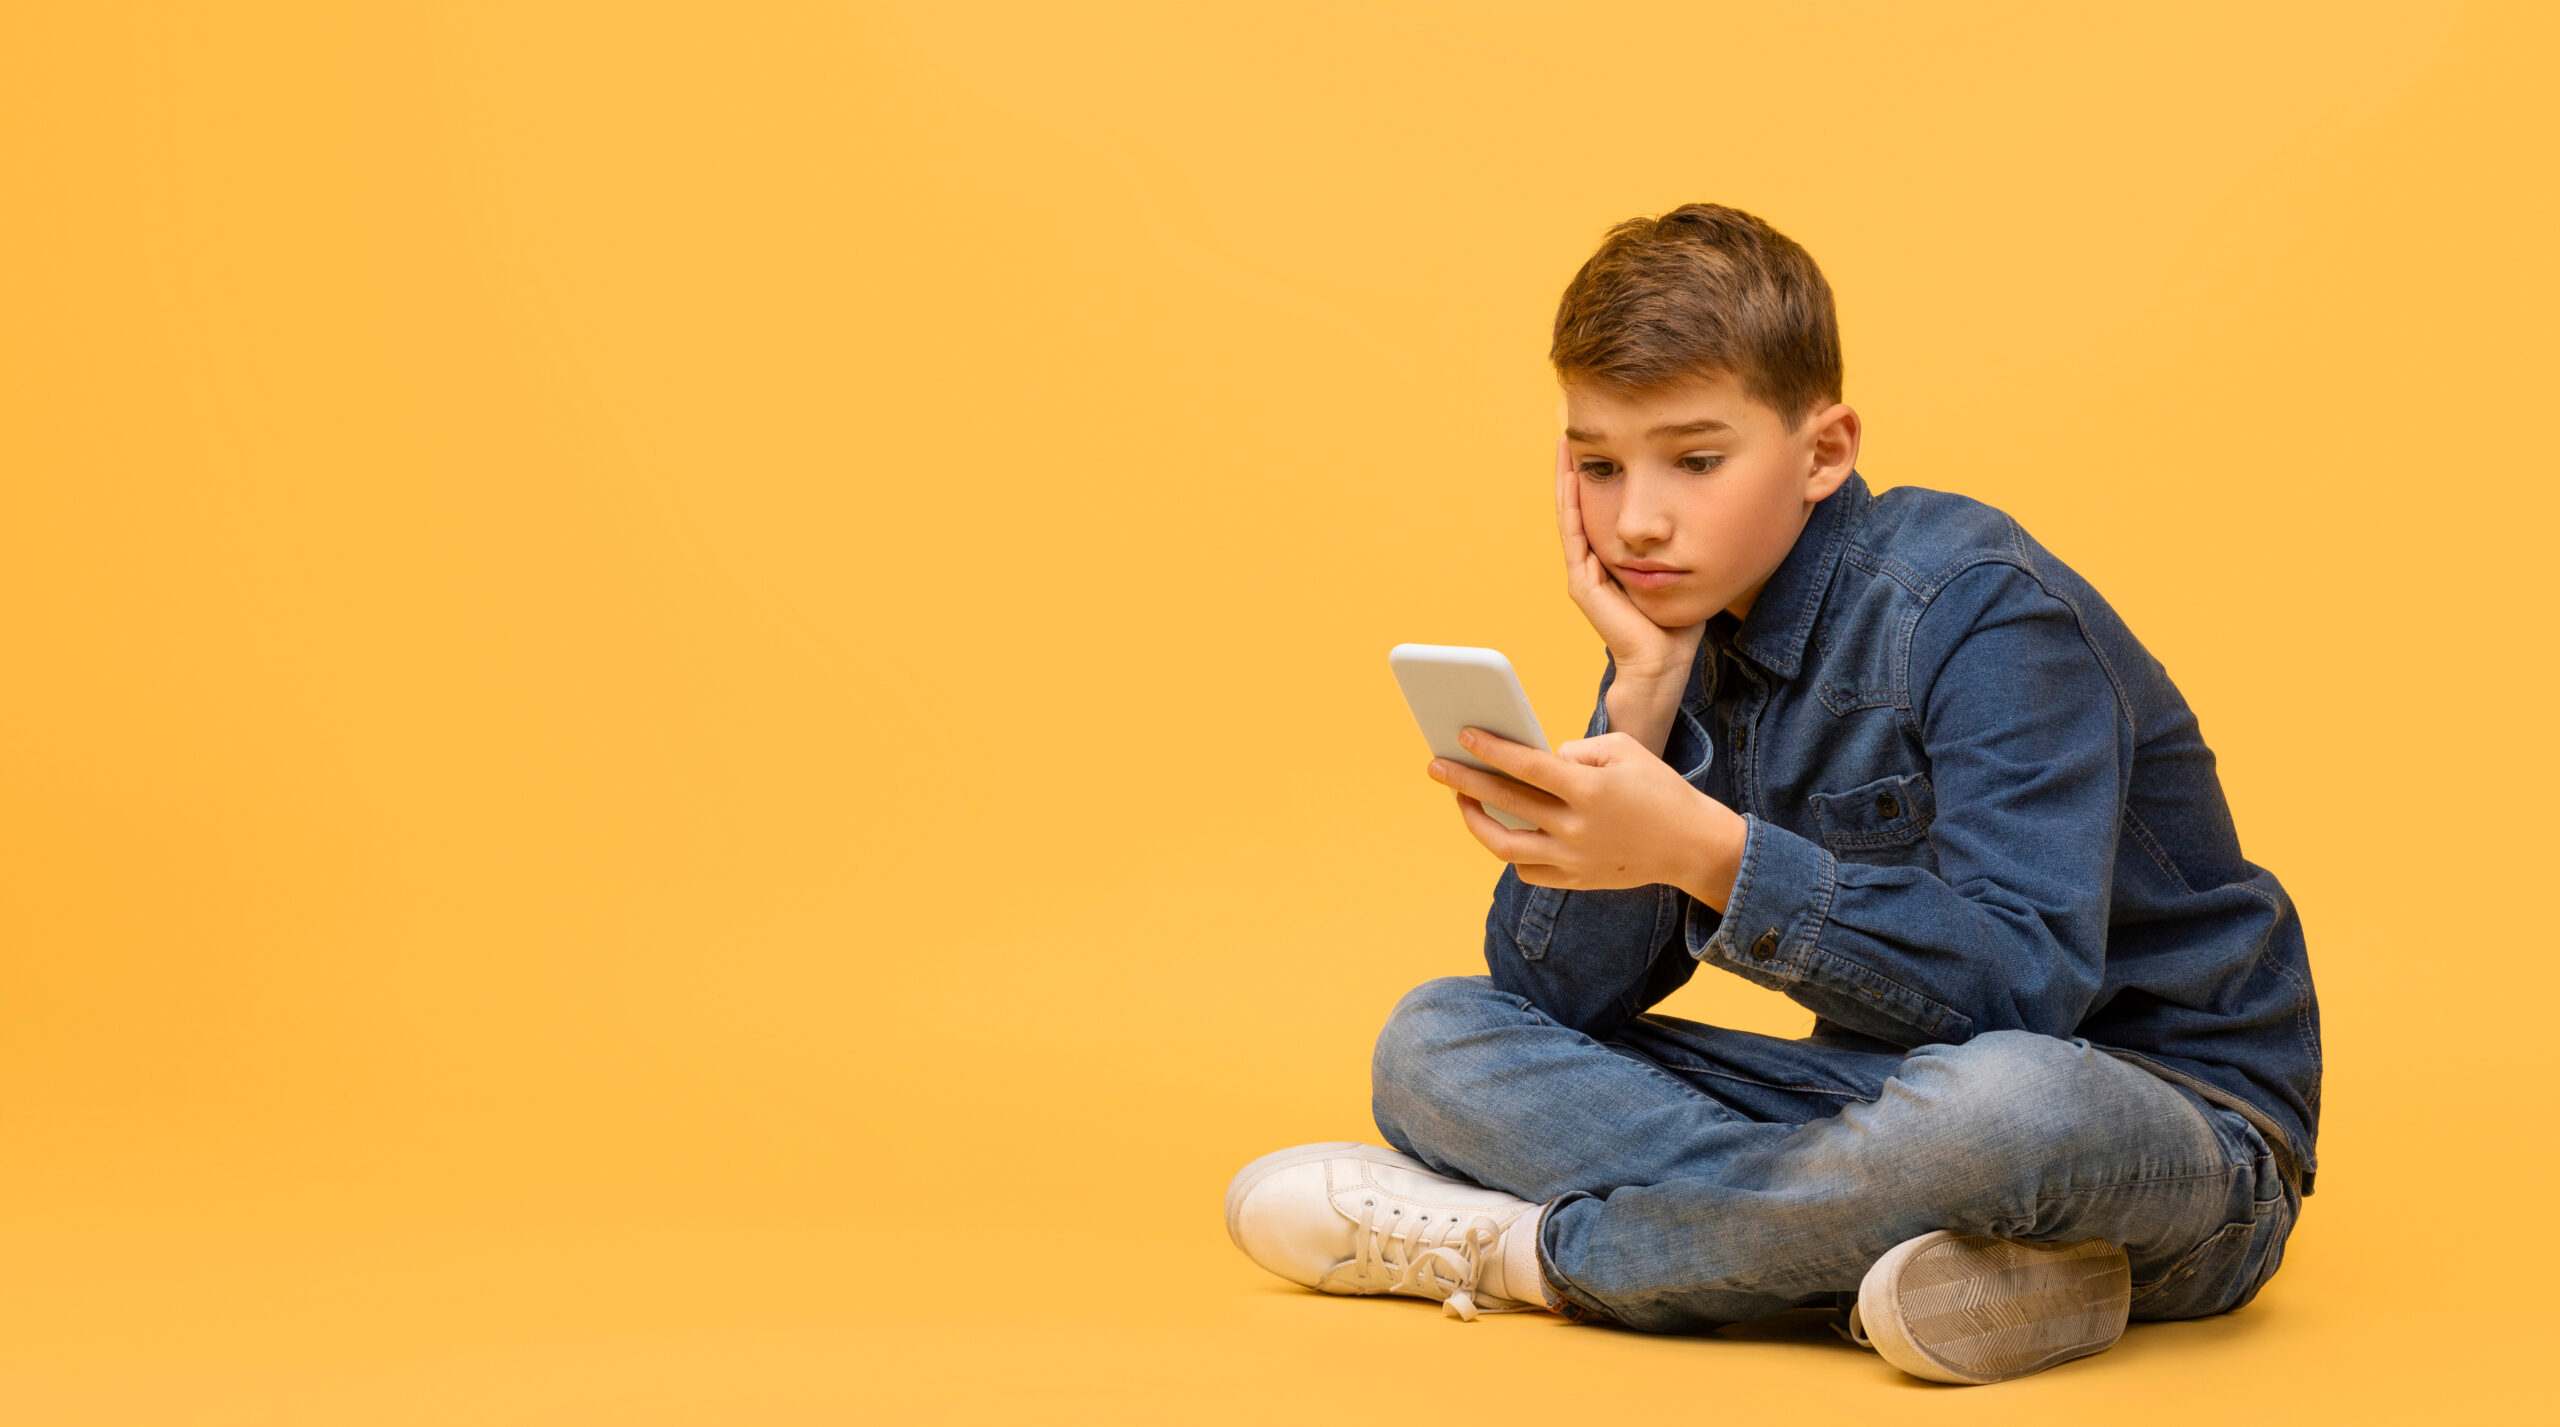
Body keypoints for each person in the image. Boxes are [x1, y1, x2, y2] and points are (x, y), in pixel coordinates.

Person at [1223, 204, 2317, 1385]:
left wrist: (1710, 854)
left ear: (1823, 450)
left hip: (2165, 1129)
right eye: (1596, 464)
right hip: (1878, 1110)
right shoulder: (1678, 629)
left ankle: (1545, 1255)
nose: (1636, 518)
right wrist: (1637, 697)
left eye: (1695, 460)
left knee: (2000, 1106)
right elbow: (1545, 999)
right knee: (1435, 1040)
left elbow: (2027, 989)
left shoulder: (1978, 608)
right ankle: (1918, 1262)